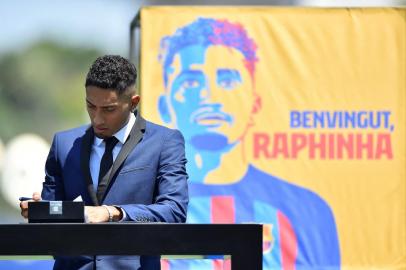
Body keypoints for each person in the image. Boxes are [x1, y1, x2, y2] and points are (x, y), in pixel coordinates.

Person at [158, 18, 340, 269]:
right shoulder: (145, 205)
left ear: (255, 104)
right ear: (164, 106)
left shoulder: (309, 211)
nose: (209, 95)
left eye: (228, 80)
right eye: (190, 81)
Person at [20, 55, 189, 270]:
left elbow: (174, 211)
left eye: (108, 109)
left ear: (133, 102)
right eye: (91, 106)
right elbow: (53, 227)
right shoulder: (63, 144)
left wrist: (113, 212)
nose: (97, 118)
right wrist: (40, 212)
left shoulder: (165, 142)